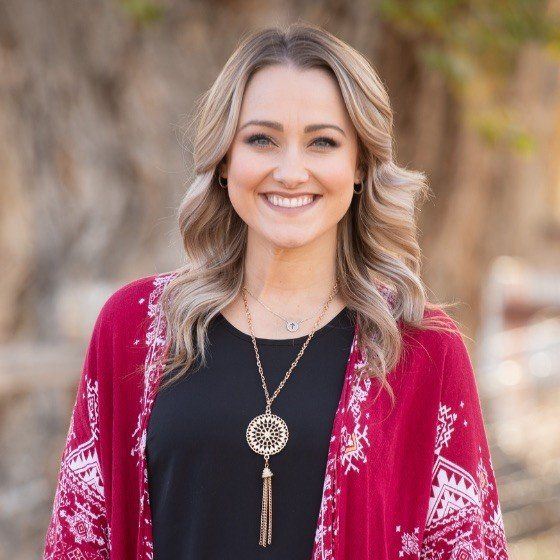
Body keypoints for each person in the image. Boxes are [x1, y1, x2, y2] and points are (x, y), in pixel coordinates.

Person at [42, 22, 509, 559]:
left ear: (358, 165)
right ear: (224, 160)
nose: (290, 171)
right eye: (261, 139)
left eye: (323, 142)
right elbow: (81, 539)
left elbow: (465, 548)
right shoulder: (134, 326)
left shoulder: (421, 347)